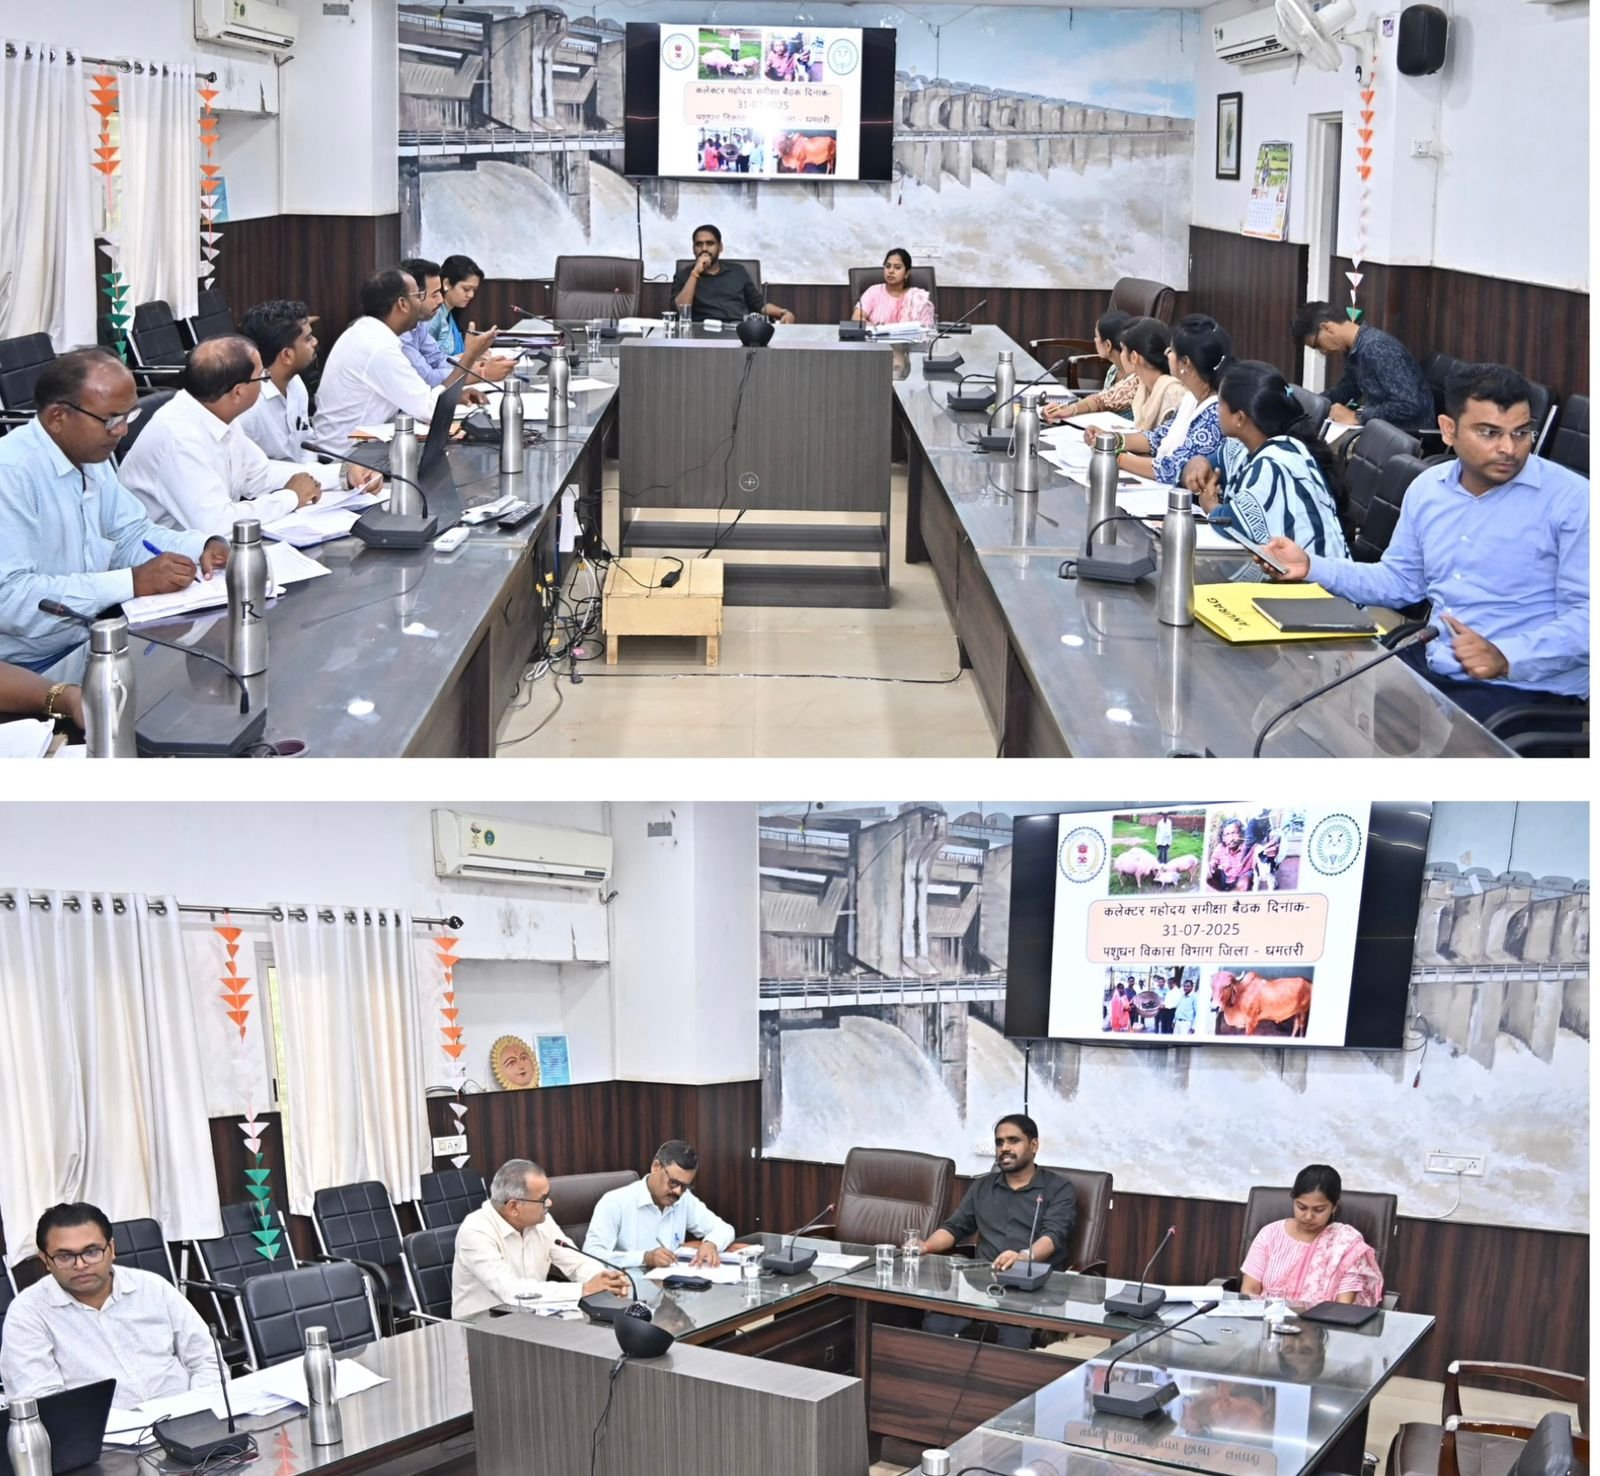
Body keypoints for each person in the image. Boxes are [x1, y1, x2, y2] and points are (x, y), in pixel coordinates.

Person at [1261, 363, 1588, 724]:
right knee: (1321, 711)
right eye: (1489, 433)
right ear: (1449, 430)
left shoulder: (1573, 501)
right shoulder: (1429, 489)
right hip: (1438, 664)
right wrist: (1311, 566)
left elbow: (1588, 618)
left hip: (1523, 689)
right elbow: (1401, 582)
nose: (1509, 448)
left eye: (1521, 433)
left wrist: (1507, 656)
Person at [0, 348, 227, 683]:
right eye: (111, 420)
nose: (121, 431)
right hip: (29, 670)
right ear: (57, 417)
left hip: (95, 639)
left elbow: (130, 534)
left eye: (128, 417)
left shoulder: (89, 454)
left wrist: (202, 547)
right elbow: (10, 599)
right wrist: (132, 581)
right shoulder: (10, 474)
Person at [120, 336, 347, 542]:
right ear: (238, 391)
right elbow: (217, 526)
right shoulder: (179, 437)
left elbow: (260, 475)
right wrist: (290, 497)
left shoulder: (217, 414)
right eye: (263, 376)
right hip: (160, 560)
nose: (266, 382)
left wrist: (342, 474)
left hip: (202, 554)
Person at [0, 1202, 222, 1408]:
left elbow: (207, 1359)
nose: (81, 1265)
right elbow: (41, 1399)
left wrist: (200, 1408)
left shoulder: (152, 1287)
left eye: (91, 1252)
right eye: (64, 1256)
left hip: (186, 1416)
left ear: (112, 1249)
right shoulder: (28, 1313)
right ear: (46, 1261)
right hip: (103, 1433)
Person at [915, 1114, 1076, 1348]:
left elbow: (1053, 1236)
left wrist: (1023, 1257)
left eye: (1013, 1140)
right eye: (999, 1142)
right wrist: (926, 1246)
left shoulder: (1058, 1188)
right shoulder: (982, 1187)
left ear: (1033, 1145)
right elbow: (955, 1227)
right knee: (939, 1320)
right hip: (985, 1281)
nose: (1005, 1148)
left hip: (1033, 1285)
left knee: (1013, 1332)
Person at [312, 267, 486, 454]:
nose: (421, 302)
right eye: (419, 296)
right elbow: (429, 410)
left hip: (363, 445)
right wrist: (470, 356)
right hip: (346, 456)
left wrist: (454, 396)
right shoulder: (379, 348)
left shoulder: (368, 332)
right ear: (402, 304)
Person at [1186, 360, 1350, 558]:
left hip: (1313, 574)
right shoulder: (1247, 446)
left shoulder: (1274, 463)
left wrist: (1210, 506)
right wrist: (1197, 462)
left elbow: (1234, 523)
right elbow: (1209, 463)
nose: (1217, 411)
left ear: (1239, 418)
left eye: (1220, 404)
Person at [451, 1158, 631, 1318]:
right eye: (543, 1199)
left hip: (532, 1323)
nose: (549, 1203)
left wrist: (604, 1280)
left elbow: (576, 1262)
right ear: (513, 1206)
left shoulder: (541, 1221)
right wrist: (584, 1289)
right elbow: (512, 1292)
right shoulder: (475, 1231)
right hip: (480, 1330)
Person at [1091, 315, 1230, 485]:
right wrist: (1111, 439)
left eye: (1172, 350)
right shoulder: (1192, 399)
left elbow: (1174, 469)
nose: (1167, 354)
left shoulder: (1215, 413)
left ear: (1186, 363)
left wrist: (1116, 457)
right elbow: (1157, 437)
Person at [1238, 1164, 1384, 1306]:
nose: (1308, 1216)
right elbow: (1249, 1290)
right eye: (1301, 1207)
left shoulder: (1346, 1243)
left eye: (1319, 1210)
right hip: (1267, 1318)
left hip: (1323, 1321)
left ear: (1334, 1207)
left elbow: (1343, 1307)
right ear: (1293, 1200)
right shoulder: (1270, 1233)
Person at [583, 1140, 736, 1269]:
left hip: (672, 1287)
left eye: (684, 1186)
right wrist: (645, 1258)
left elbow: (724, 1229)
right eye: (673, 1182)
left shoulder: (684, 1199)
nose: (677, 1192)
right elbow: (591, 1255)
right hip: (627, 1288)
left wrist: (711, 1244)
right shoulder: (615, 1202)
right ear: (656, 1167)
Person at [1291, 302, 1432, 429]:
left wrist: (1357, 416)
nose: (1323, 351)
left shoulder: (1376, 347)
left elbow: (1409, 405)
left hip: (1407, 434)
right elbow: (1347, 389)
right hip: (1382, 428)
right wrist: (1311, 406)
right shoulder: (1354, 349)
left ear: (1327, 327)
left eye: (1318, 345)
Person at [400, 257, 512, 390]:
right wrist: (482, 372)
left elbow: (438, 359)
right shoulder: (405, 333)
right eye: (434, 294)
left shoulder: (419, 325)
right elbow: (428, 378)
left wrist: (479, 366)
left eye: (474, 290)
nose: (440, 299)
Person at [672, 225, 795, 325]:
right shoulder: (684, 275)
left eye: (710, 243)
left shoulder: (737, 271)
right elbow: (680, 311)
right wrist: (695, 273)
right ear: (693, 249)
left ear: (720, 247)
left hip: (738, 331)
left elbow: (759, 304)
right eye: (698, 244)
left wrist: (783, 312)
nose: (704, 248)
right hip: (702, 334)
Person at [1041, 310, 1133, 422]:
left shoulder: (1136, 378)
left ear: (1108, 345)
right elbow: (1102, 400)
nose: (1094, 340)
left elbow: (1105, 401)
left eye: (1096, 336)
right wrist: (1066, 408)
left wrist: (1072, 409)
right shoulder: (1113, 371)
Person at [427, 254, 492, 362]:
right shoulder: (434, 315)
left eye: (474, 290)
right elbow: (426, 362)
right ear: (447, 283)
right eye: (466, 289)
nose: (471, 295)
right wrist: (470, 356)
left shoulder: (450, 313)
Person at [853, 247, 935, 328]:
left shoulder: (918, 298)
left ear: (906, 273)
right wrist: (877, 329)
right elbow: (856, 318)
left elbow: (927, 329)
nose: (891, 271)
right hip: (876, 336)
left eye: (897, 267)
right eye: (888, 266)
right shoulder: (873, 292)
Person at [1208, 818, 1258, 892]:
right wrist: (1210, 866)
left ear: (1241, 833)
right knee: (1207, 875)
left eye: (1234, 833)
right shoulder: (1220, 848)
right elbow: (1213, 862)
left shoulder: (1249, 846)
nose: (1231, 838)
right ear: (1223, 838)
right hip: (1227, 879)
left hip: (1244, 876)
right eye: (1227, 834)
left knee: (1244, 882)